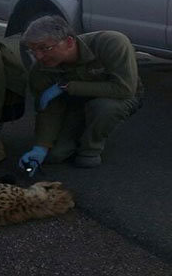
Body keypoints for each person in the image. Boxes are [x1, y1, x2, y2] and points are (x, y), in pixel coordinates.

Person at [18, 16, 142, 175]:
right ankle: (77, 129)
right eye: (32, 50)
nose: (38, 56)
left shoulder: (111, 43)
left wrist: (67, 87)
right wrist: (41, 146)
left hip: (119, 97)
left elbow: (124, 89)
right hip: (76, 103)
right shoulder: (40, 69)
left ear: (69, 42)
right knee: (54, 155)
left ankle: (91, 148)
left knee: (104, 108)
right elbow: (49, 109)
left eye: (44, 48)